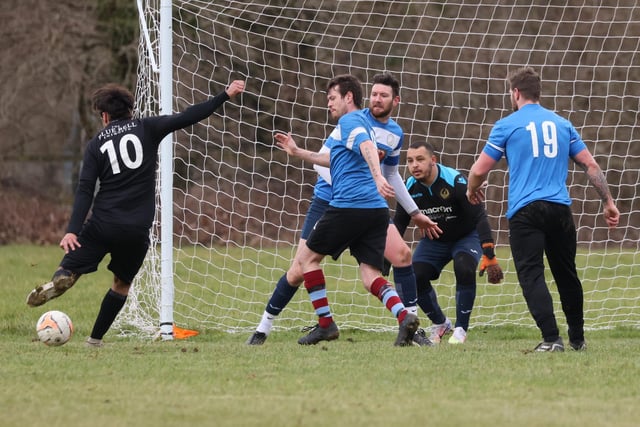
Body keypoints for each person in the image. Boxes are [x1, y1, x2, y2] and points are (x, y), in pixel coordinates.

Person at [26, 80, 246, 347]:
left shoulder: (96, 145)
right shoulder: (148, 128)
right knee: (121, 283)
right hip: (136, 228)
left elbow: (85, 190)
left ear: (104, 116)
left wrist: (72, 229)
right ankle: (95, 339)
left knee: (71, 264)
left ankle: (65, 275)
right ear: (130, 109)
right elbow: (188, 116)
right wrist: (224, 95)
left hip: (102, 223)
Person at [247, 72, 441, 346]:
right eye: (374, 93)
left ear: (348, 97)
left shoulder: (352, 121)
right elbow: (333, 158)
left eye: (332, 98)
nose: (328, 104)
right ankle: (404, 318)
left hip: (348, 206)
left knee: (308, 261)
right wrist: (298, 151)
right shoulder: (363, 123)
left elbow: (367, 148)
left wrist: (377, 178)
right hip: (372, 209)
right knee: (367, 276)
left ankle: (326, 324)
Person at [467, 66, 620, 352]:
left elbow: (479, 170)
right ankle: (578, 340)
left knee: (532, 274)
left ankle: (551, 340)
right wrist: (608, 202)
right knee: (566, 274)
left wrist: (472, 188)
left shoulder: (507, 125)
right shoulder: (563, 124)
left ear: (515, 93)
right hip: (560, 210)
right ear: (538, 93)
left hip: (526, 212)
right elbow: (591, 165)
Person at [394, 141, 503, 345]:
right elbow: (400, 220)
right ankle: (441, 323)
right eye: (409, 161)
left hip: (465, 237)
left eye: (420, 159)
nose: (414, 165)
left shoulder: (454, 180)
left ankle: (461, 329)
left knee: (463, 267)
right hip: (435, 239)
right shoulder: (409, 186)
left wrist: (489, 251)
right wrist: (386, 252)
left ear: (433, 160)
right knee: (415, 276)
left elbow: (479, 216)